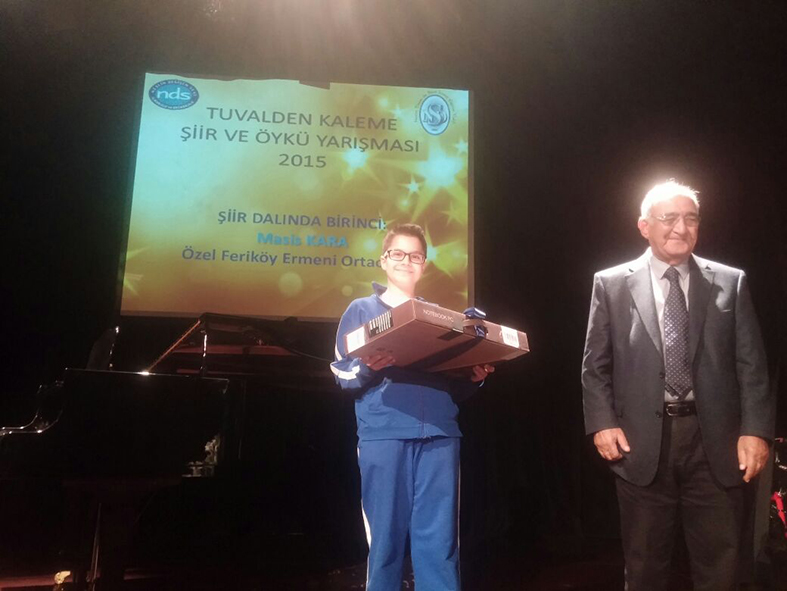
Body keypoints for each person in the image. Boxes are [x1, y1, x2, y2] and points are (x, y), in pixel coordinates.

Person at [581, 180, 775, 590]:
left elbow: (752, 365)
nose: (681, 228)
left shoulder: (730, 282)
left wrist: (756, 431)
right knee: (645, 567)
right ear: (644, 226)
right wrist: (602, 422)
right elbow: (595, 365)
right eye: (669, 218)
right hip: (640, 444)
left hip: (716, 443)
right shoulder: (611, 284)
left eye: (691, 218)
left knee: (722, 567)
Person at [331, 223, 493, 591]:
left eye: (415, 256)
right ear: (383, 260)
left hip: (440, 433)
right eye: (398, 254)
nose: (407, 261)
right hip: (384, 434)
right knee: (385, 540)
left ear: (424, 265)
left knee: (439, 541)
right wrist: (368, 368)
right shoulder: (361, 310)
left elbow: (454, 388)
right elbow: (342, 372)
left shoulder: (440, 316)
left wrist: (474, 376)